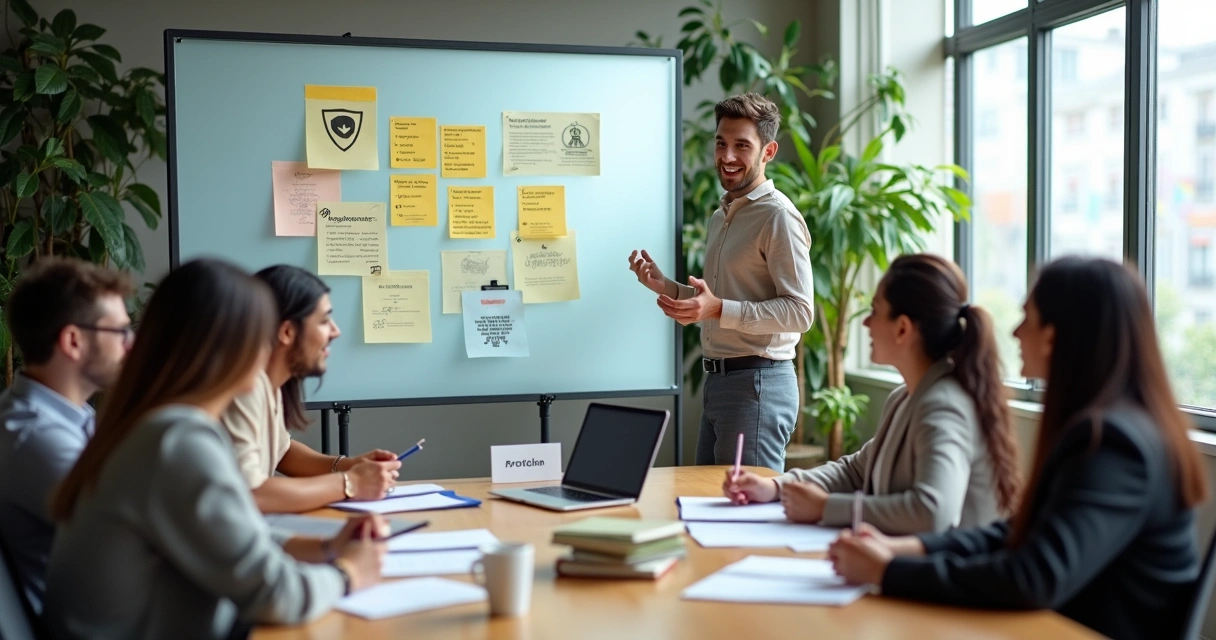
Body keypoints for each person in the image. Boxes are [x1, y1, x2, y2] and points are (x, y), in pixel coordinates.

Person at [828, 257, 1207, 640]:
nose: (1013, 332)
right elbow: (1014, 533)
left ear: (1053, 335)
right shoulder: (1109, 427)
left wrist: (887, 572)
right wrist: (908, 549)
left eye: (1028, 316)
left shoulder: (1114, 445)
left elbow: (1032, 577)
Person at [45, 259, 386, 639]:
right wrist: (349, 572)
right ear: (227, 345)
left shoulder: (154, 426)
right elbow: (276, 596)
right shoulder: (178, 442)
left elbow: (226, 538)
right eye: (261, 337)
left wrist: (327, 547)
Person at [724, 254, 1020, 534]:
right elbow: (856, 471)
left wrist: (827, 508)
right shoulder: (905, 397)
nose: (865, 322)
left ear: (902, 329)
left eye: (875, 311)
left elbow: (933, 512)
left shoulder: (943, 405)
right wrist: (776, 487)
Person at [628, 92, 814, 472]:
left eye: (741, 146)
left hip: (758, 385)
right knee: (708, 508)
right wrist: (666, 286)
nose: (727, 156)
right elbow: (714, 301)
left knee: (745, 520)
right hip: (721, 383)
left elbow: (800, 312)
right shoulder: (721, 215)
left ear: (768, 151)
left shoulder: (778, 217)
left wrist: (717, 309)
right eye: (721, 143)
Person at [0, 258, 133, 613]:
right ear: (73, 341)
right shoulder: (37, 438)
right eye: (120, 332)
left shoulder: (70, 417)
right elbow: (137, 538)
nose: (130, 346)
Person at [221, 265, 400, 513]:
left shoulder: (270, 384)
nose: (336, 332)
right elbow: (252, 494)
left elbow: (283, 453)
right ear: (286, 331)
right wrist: (351, 482)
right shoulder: (245, 388)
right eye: (325, 320)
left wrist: (350, 465)